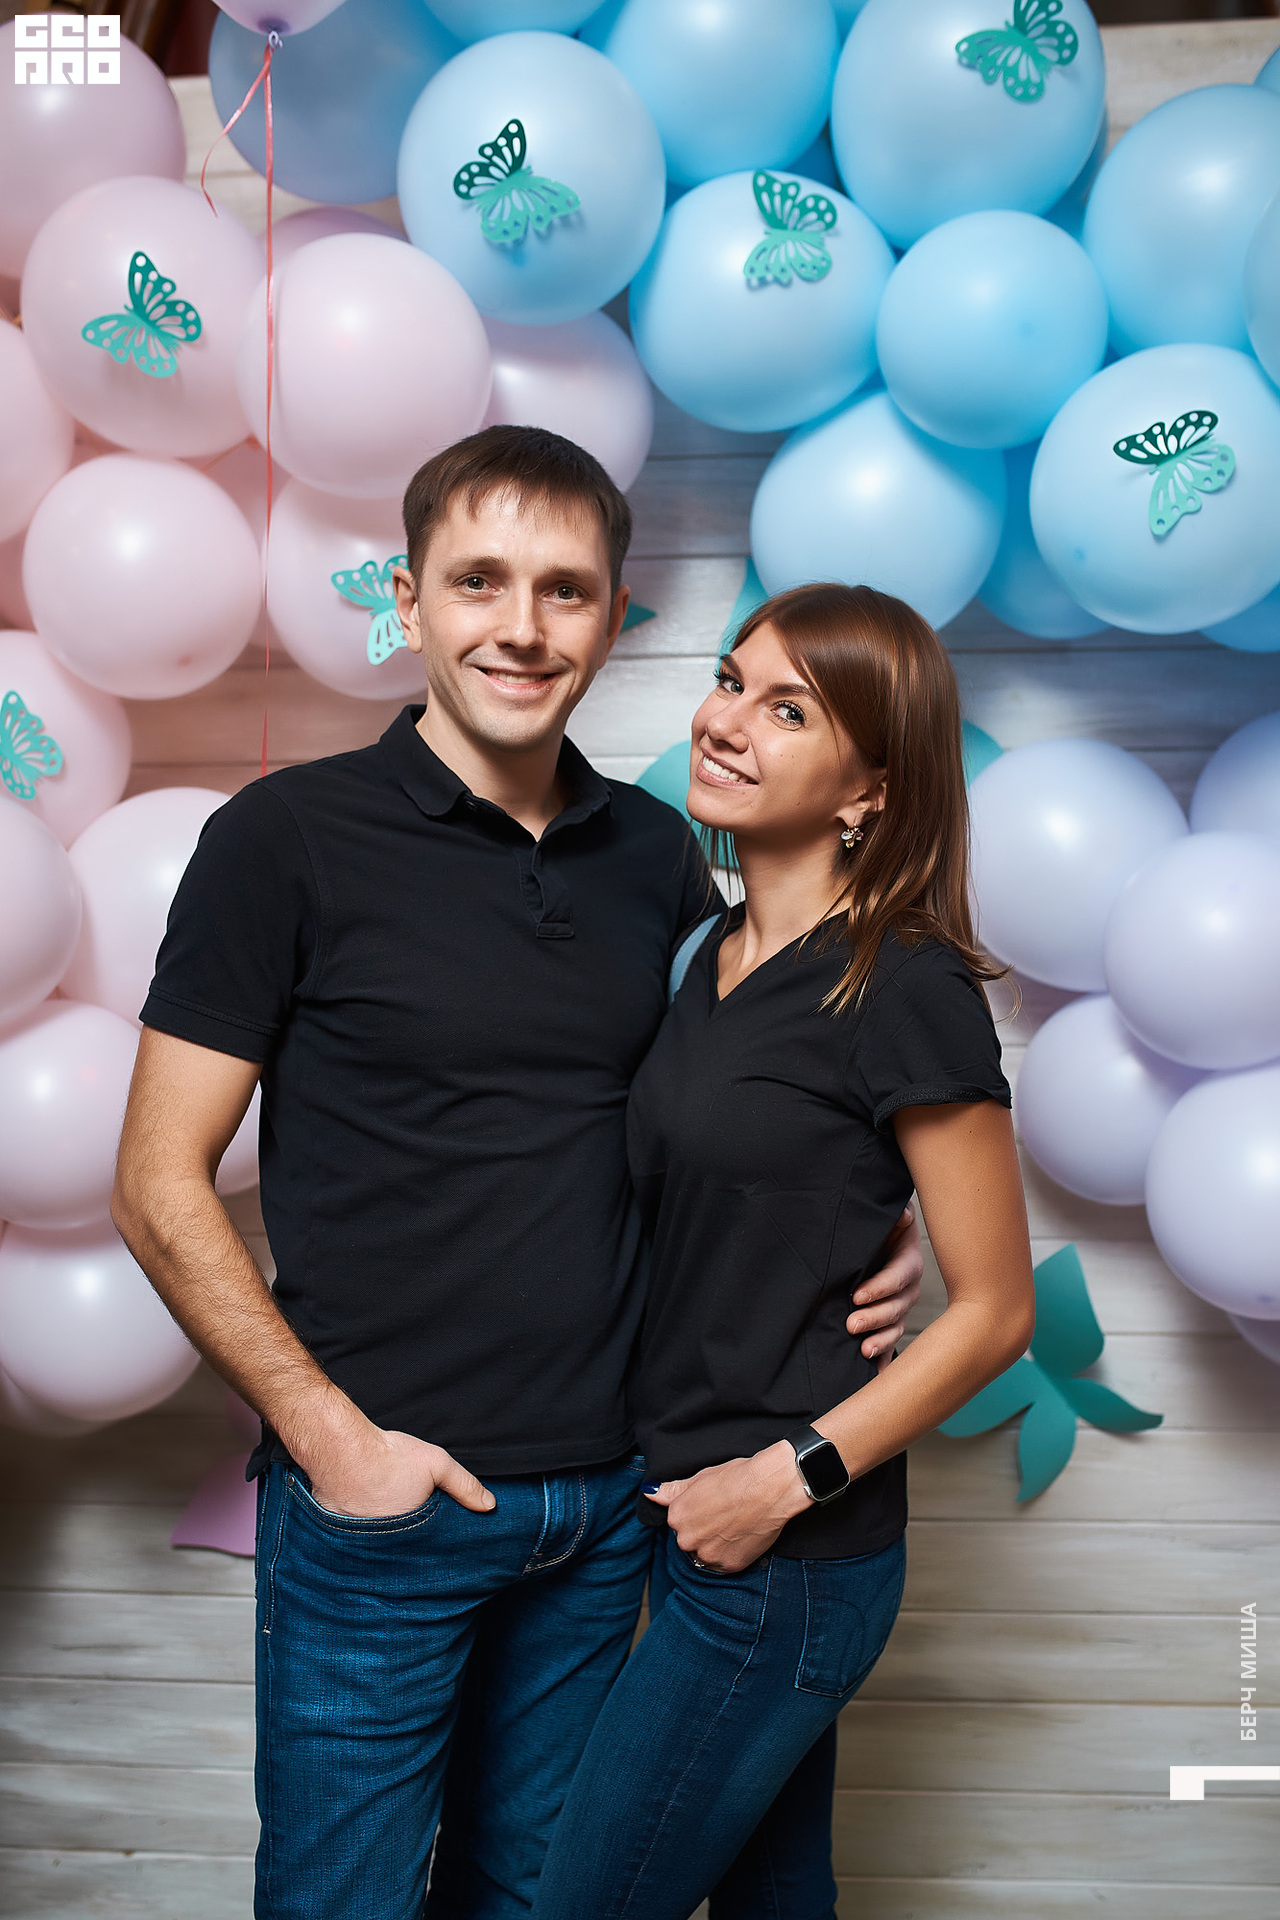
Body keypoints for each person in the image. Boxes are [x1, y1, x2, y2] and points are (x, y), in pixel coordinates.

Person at [109, 427, 923, 1920]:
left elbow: (740, 1111)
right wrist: (332, 1441)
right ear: (408, 600)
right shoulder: (283, 839)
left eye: (566, 590)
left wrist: (880, 1226)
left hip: (611, 1506)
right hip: (382, 1512)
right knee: (343, 1901)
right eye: (478, 580)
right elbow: (158, 1183)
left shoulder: (662, 854)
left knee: (541, 1899)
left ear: (613, 620)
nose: (523, 627)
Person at [529, 582, 1038, 1920]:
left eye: (790, 710)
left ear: (871, 790)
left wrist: (784, 1479)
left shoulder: (905, 982)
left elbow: (997, 1313)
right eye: (729, 680)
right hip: (682, 1515)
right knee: (774, 1897)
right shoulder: (706, 954)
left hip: (786, 1557)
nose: (727, 721)